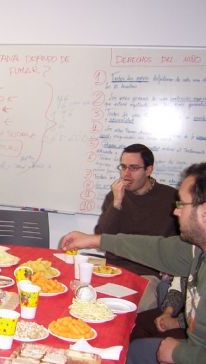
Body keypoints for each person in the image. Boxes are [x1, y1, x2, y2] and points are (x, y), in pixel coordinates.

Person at [61, 162, 206, 364]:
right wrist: (95, 240)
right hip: (189, 343)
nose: (176, 212)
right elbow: (155, 249)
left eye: (181, 204)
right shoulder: (197, 249)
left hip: (190, 353)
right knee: (125, 330)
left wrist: (178, 354)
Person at [94, 143, 179, 310]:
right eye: (123, 167)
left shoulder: (170, 198)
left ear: (148, 170)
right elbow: (101, 237)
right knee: (86, 303)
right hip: (112, 270)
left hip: (147, 273)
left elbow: (181, 243)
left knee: (124, 310)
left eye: (133, 168)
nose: (126, 174)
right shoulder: (116, 195)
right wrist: (117, 202)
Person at [131, 276, 187, 341]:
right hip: (183, 312)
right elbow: (179, 286)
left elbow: (200, 317)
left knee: (156, 343)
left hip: (194, 330)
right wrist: (168, 312)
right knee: (135, 323)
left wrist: (177, 322)